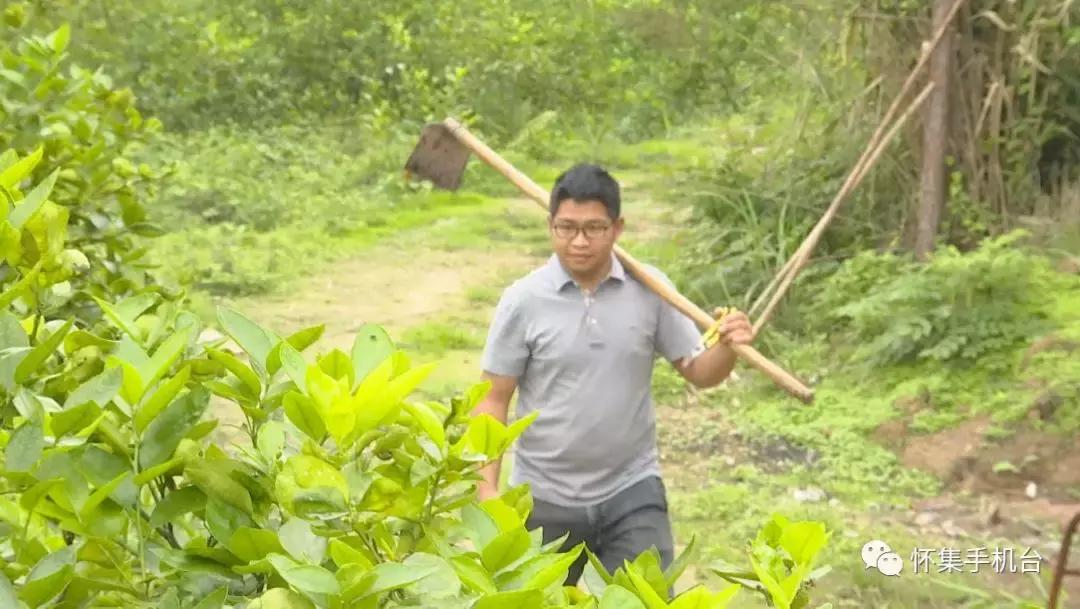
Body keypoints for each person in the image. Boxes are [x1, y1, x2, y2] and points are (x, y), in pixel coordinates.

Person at [474, 163, 754, 585]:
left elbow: (699, 371)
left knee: (647, 597)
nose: (579, 242)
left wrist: (728, 347)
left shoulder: (652, 290)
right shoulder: (523, 301)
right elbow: (493, 398)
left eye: (594, 228)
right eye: (566, 228)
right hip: (543, 495)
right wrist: (487, 491)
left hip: (631, 488)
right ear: (550, 225)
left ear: (617, 228)